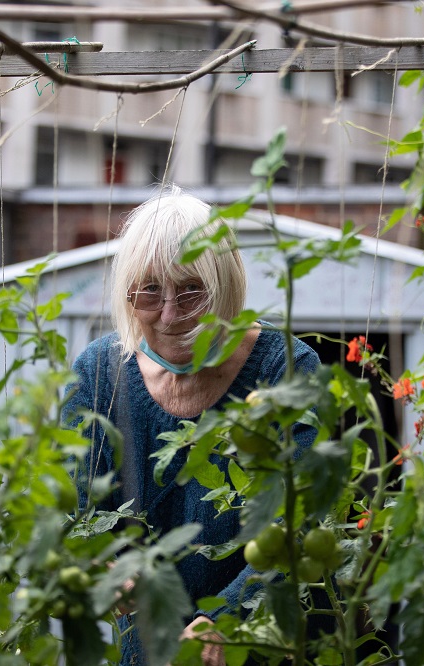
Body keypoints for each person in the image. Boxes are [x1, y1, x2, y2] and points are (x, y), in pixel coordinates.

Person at [62, 185, 320, 665]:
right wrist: (106, 565)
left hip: (260, 647)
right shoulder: (99, 373)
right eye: (149, 291)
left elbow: (298, 522)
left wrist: (228, 617)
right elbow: (77, 512)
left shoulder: (283, 370)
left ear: (225, 286)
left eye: (190, 291)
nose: (169, 314)